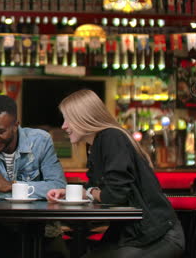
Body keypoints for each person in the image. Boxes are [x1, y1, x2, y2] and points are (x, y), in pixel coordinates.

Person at [47, 89, 184, 258]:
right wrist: (74, 193)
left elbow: (114, 195)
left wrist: (92, 193)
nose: (64, 126)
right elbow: (96, 188)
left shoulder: (111, 137)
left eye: (68, 119)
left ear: (85, 117)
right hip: (134, 235)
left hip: (159, 237)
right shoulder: (97, 144)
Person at [0, 94, 68, 258]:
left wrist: (12, 185)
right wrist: (37, 191)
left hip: (41, 227)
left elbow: (59, 187)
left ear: (16, 125)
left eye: (0, 131)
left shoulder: (40, 141)